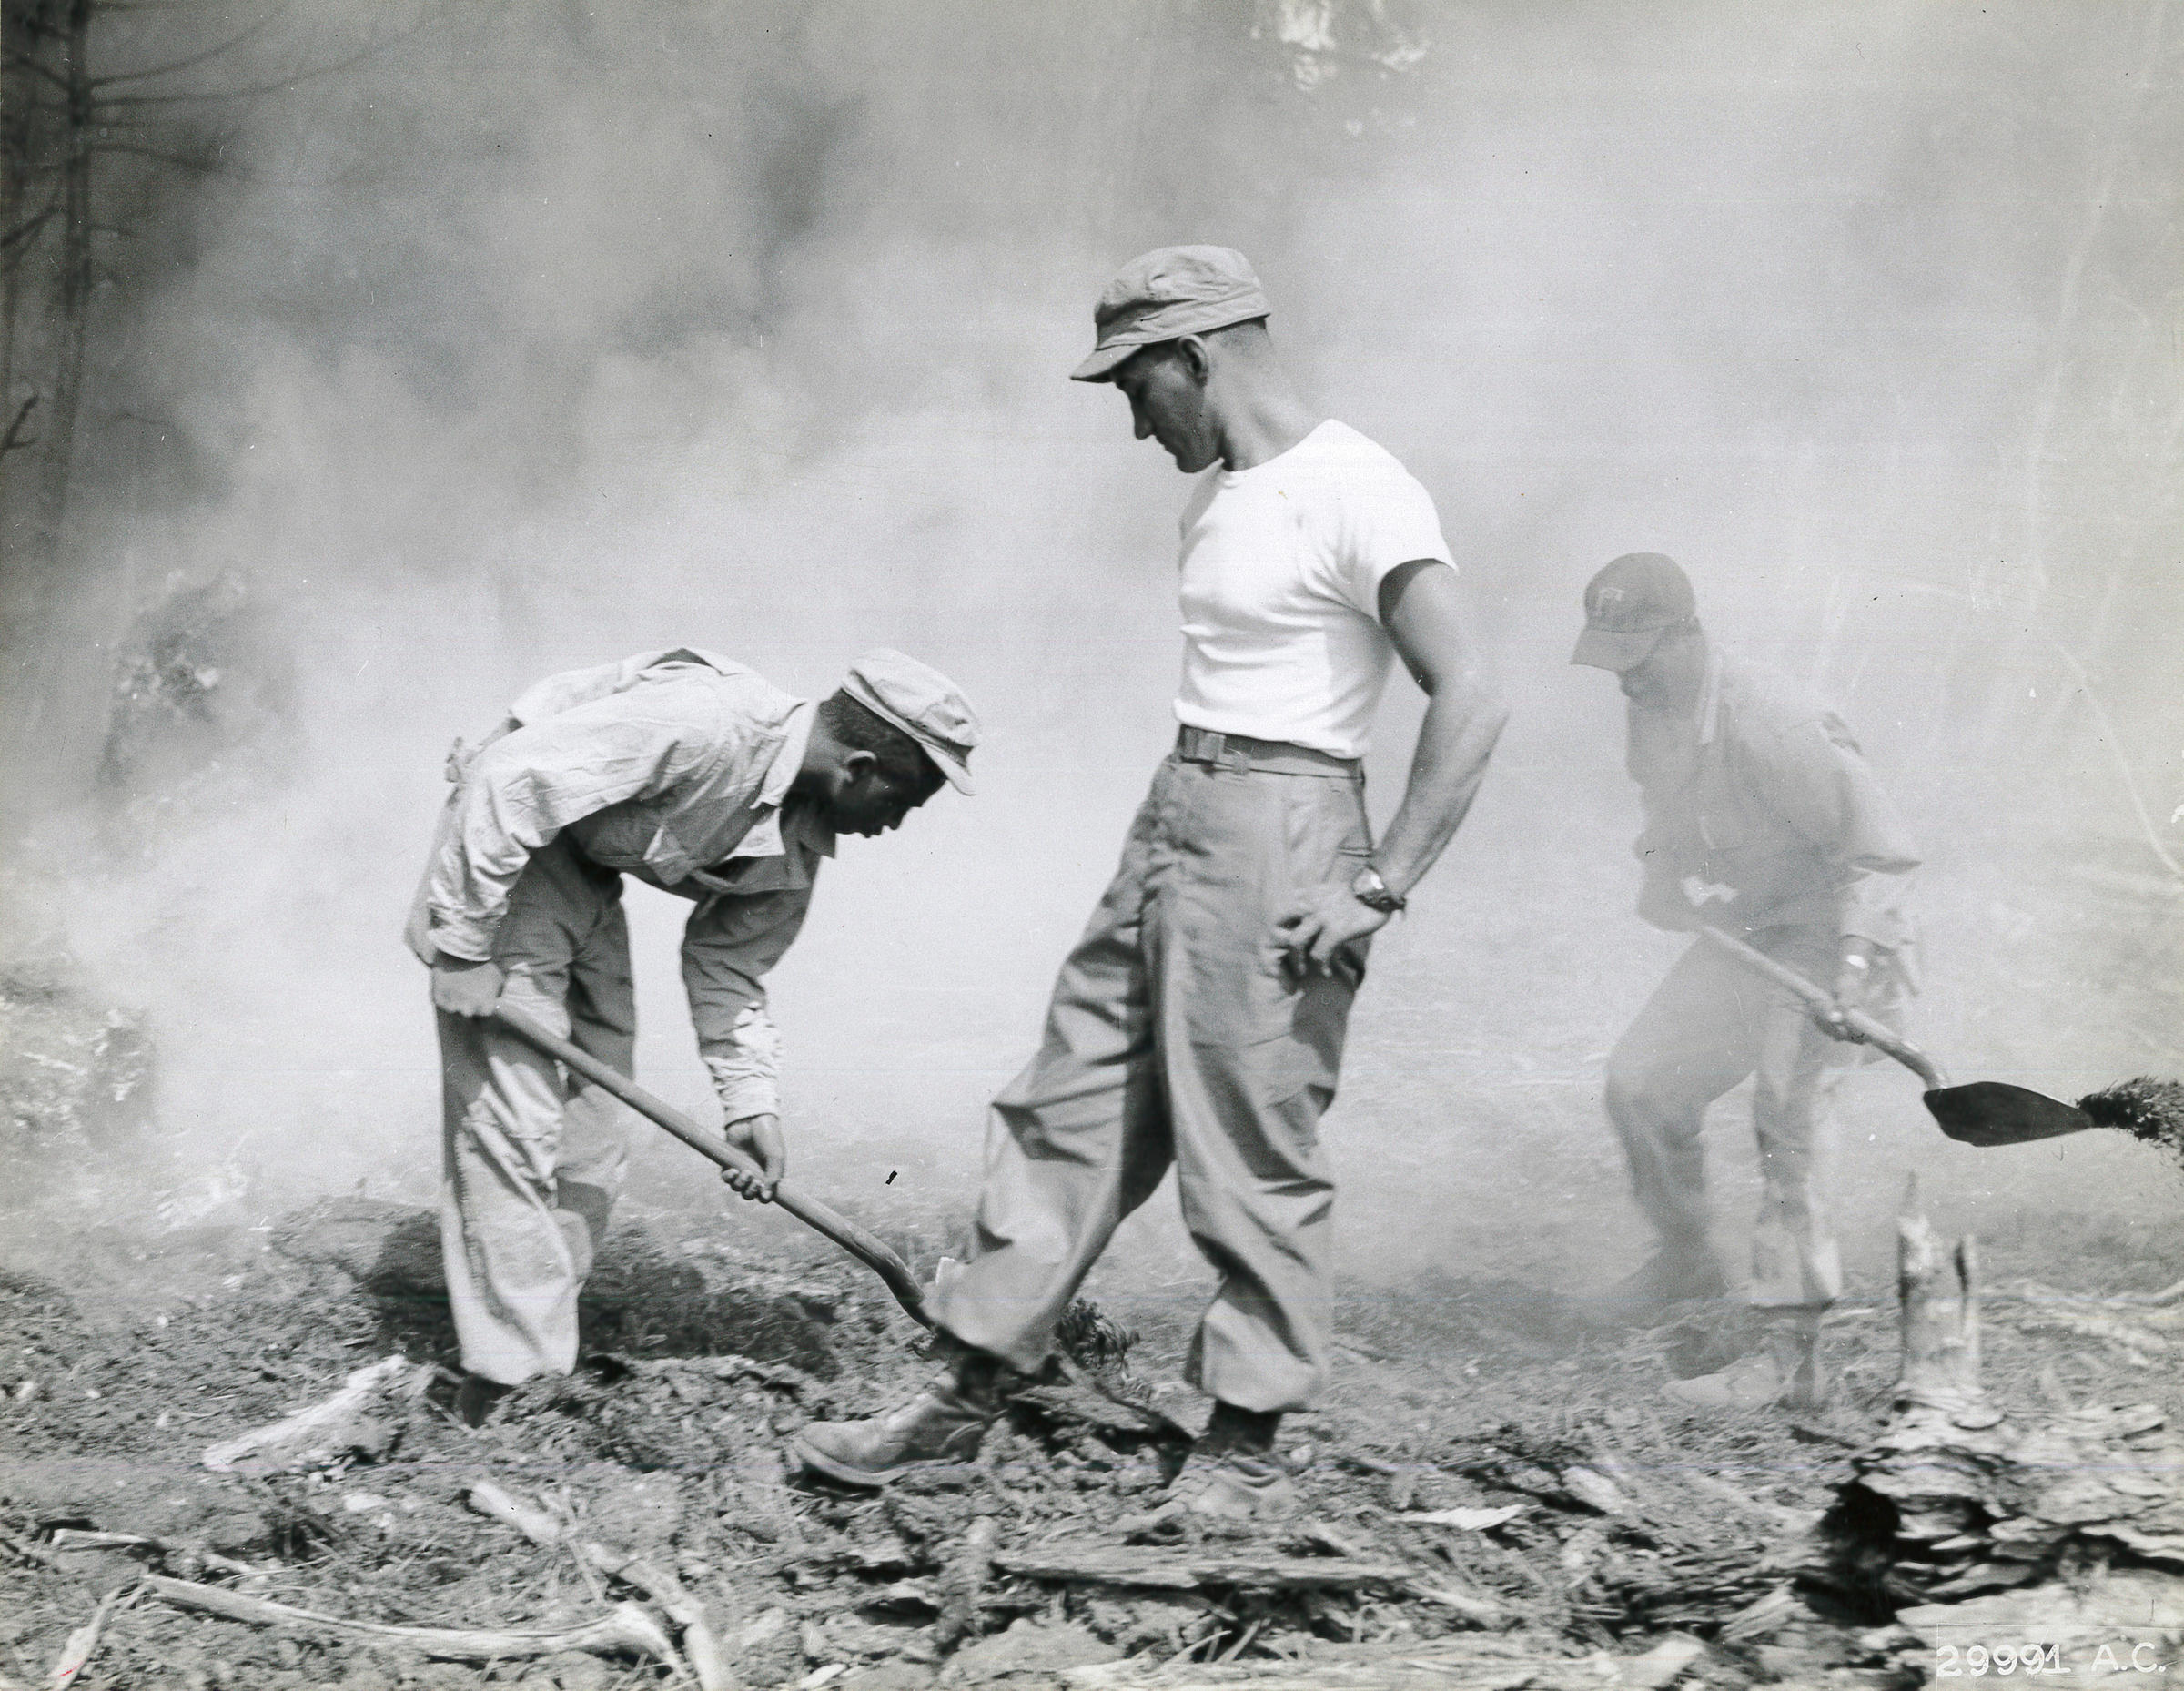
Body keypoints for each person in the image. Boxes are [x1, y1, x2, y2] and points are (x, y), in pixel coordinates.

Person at [797, 246, 1507, 1515]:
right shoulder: (1216, 498)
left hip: (1292, 825)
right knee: (1070, 1098)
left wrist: (1382, 882)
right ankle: (961, 1387)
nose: (1133, 419)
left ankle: (1237, 1444)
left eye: (1137, 385)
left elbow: (1473, 687)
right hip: (1177, 806)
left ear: (1199, 352)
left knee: (1249, 1134)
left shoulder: (1358, 485)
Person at [406, 647, 979, 1423]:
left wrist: (752, 1110)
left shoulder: (797, 843)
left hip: (582, 866)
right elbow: (509, 779)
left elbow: (730, 970)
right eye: (903, 803)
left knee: (597, 1134)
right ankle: (508, 1384)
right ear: (861, 767)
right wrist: (466, 946)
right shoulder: (707, 727)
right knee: (514, 1119)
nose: (893, 827)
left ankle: (534, 1339)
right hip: (503, 857)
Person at [1572, 553, 1919, 1410]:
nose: (1626, 677)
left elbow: (1879, 858)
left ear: (1688, 636)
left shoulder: (1777, 722)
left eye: (1641, 654)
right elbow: (1664, 815)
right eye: (1612, 655)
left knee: (1788, 1126)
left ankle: (1790, 1361)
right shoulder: (1653, 707)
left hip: (1841, 936)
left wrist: (1850, 971)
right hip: (1756, 931)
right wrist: (1660, 870)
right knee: (1643, 1084)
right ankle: (1687, 1264)